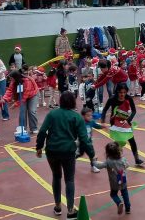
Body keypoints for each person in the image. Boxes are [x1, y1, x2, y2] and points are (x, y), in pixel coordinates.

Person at [36, 91, 93, 219]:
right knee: (69, 179)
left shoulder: (52, 114)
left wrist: (39, 147)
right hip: (68, 152)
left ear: (60, 101)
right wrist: (92, 154)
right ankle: (71, 210)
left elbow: (42, 131)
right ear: (73, 102)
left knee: (56, 177)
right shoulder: (77, 117)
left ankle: (57, 206)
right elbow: (84, 139)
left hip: (52, 151)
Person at [100, 83, 145, 166]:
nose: (122, 94)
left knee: (132, 141)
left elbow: (134, 111)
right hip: (115, 123)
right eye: (121, 92)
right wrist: (102, 121)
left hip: (126, 122)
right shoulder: (112, 99)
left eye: (124, 92)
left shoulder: (129, 98)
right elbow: (104, 110)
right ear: (117, 92)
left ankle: (137, 159)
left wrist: (128, 120)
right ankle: (114, 159)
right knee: (118, 143)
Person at [94, 142, 131, 215]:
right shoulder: (123, 159)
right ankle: (128, 208)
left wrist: (94, 161)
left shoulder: (108, 161)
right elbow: (127, 165)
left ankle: (119, 202)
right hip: (122, 178)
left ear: (107, 152)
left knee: (113, 194)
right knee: (125, 193)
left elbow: (100, 166)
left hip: (114, 182)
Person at [3, 68, 40, 134]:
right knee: (22, 111)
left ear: (16, 77)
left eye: (12, 78)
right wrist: (4, 98)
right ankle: (22, 128)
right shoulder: (14, 82)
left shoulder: (27, 81)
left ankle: (34, 128)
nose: (11, 80)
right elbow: (9, 90)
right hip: (23, 95)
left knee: (32, 111)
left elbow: (24, 97)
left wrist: (16, 104)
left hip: (33, 95)